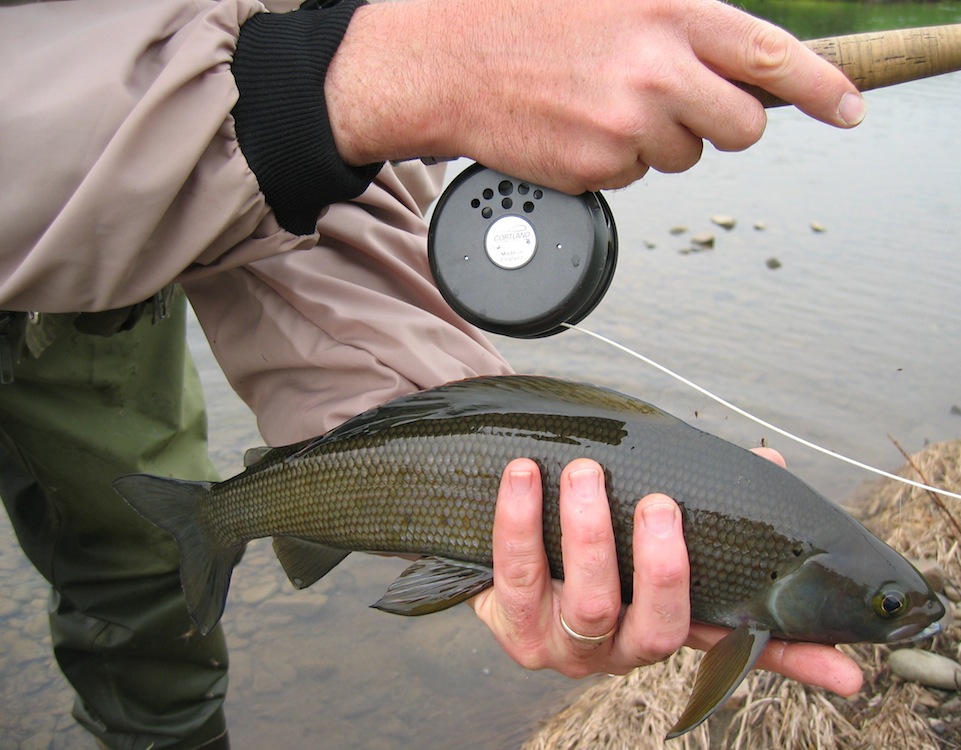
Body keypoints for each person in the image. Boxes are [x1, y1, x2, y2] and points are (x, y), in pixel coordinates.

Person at [0, 0, 866, 747]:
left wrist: (432, 429)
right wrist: (366, 77)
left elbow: (296, 212)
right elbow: (294, 100)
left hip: (105, 285)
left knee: (133, 593)